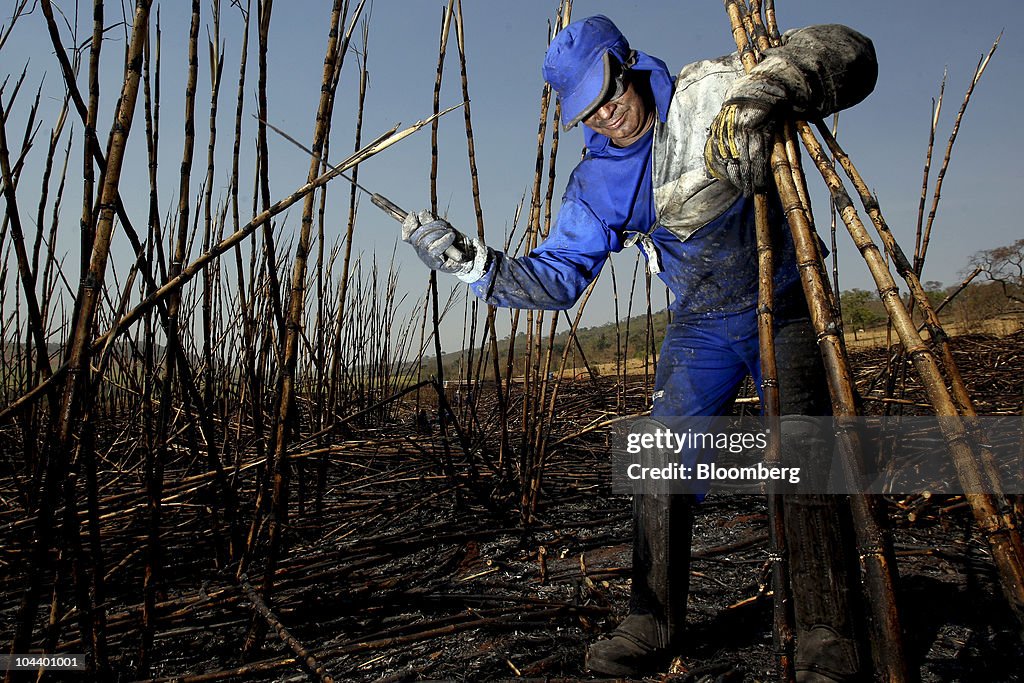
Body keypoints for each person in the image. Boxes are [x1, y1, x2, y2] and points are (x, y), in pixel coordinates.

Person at [402, 15, 877, 681]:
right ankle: (652, 617)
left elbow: (850, 52)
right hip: (704, 319)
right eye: (588, 111)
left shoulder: (711, 91)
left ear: (629, 66)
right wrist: (471, 262)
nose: (605, 116)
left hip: (789, 297)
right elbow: (555, 277)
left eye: (610, 95)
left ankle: (829, 638)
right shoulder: (596, 184)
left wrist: (767, 92)